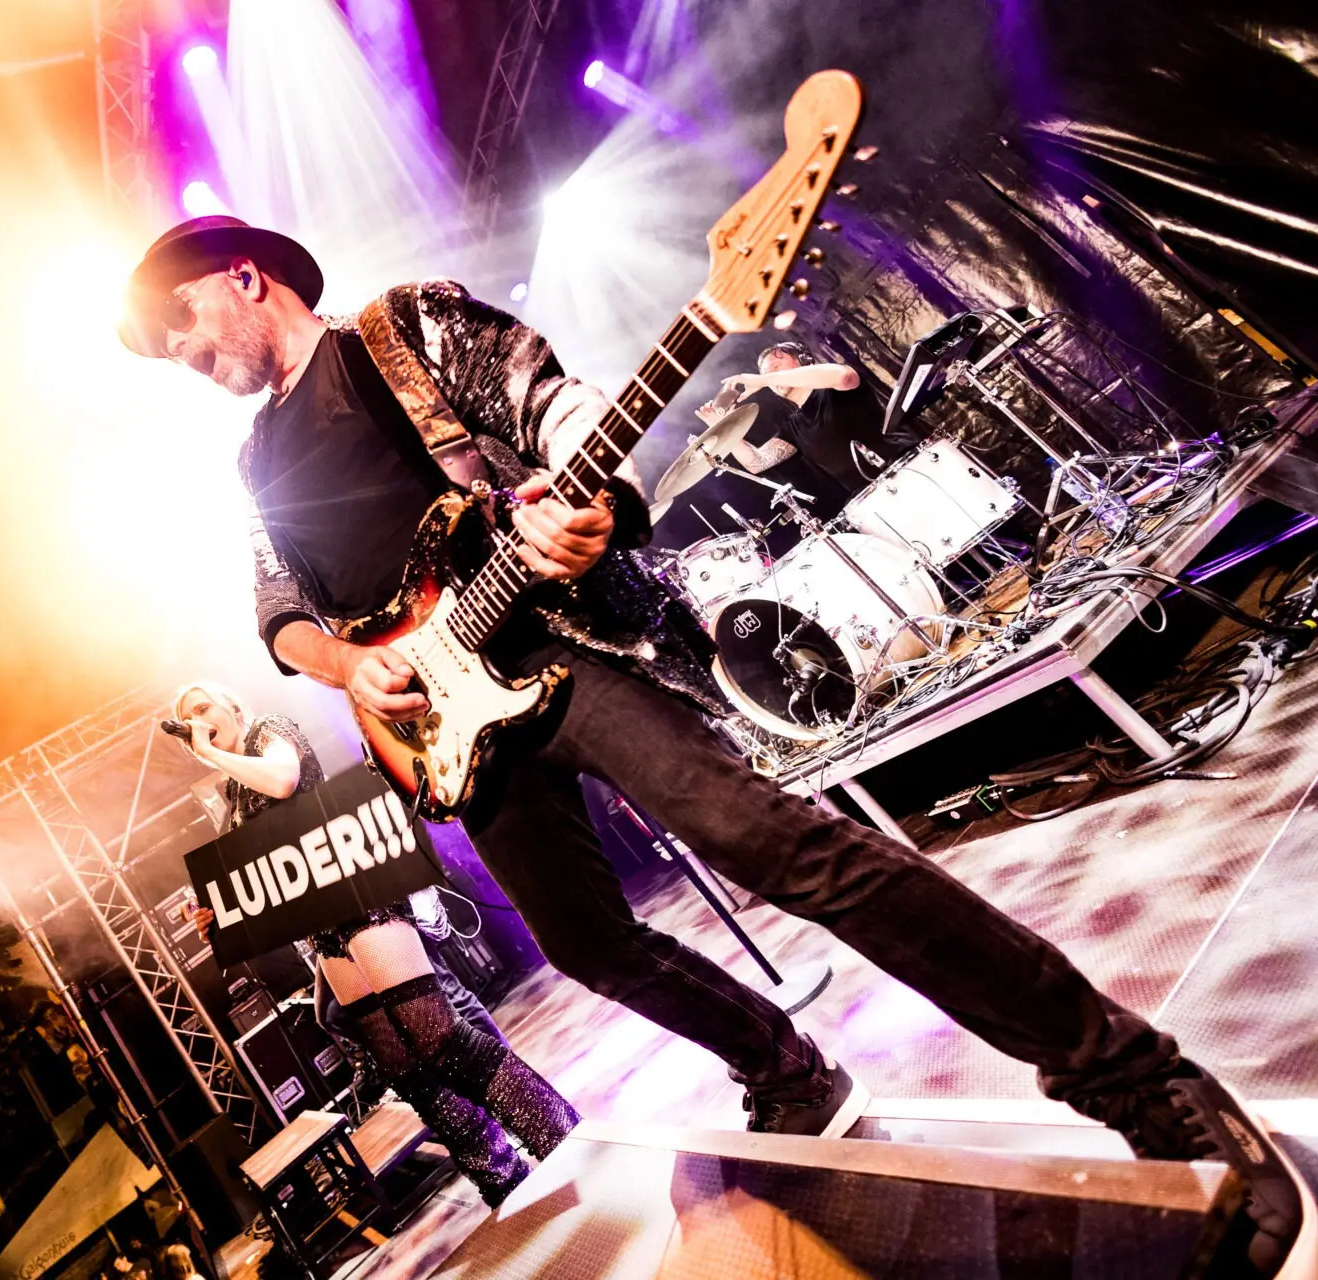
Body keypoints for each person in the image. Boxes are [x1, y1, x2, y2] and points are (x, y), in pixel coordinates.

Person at [119, 215, 1308, 1275]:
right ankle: (787, 1069)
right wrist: (350, 666)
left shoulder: (398, 331)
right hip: (445, 730)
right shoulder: (253, 462)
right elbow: (280, 612)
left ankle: (1137, 1075)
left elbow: (558, 407)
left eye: (178, 322)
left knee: (778, 843)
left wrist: (592, 504)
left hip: (565, 648)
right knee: (587, 943)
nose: (181, 354)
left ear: (244, 274)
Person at [173, 680, 576, 1206]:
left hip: (361, 899)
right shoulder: (232, 795)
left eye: (203, 707)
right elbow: (253, 883)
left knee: (438, 1035)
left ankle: (557, 1132)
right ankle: (497, 1170)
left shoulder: (268, 732)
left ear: (232, 705)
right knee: (404, 1066)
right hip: (325, 930)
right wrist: (216, 914)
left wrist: (208, 752)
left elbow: (285, 779)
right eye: (188, 718)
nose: (197, 721)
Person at [697, 339, 900, 506]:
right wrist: (723, 427)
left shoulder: (834, 386)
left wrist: (764, 379)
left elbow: (844, 377)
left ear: (804, 361)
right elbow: (756, 462)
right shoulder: (793, 427)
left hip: (905, 468)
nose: (771, 377)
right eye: (766, 374)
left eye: (776, 367)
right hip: (869, 503)